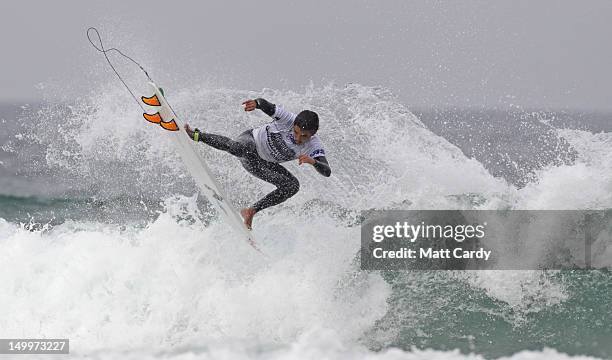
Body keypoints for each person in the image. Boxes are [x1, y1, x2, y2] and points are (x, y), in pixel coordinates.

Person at [184, 98, 331, 229]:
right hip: (251, 141)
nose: (298, 138)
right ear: (294, 125)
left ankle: (251, 211)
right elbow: (266, 105)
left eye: (304, 136)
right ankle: (196, 135)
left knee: (292, 186)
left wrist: (313, 162)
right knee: (239, 148)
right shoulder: (288, 119)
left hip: (259, 164)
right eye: (296, 132)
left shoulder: (314, 146)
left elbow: (327, 171)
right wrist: (256, 104)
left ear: (313, 133)